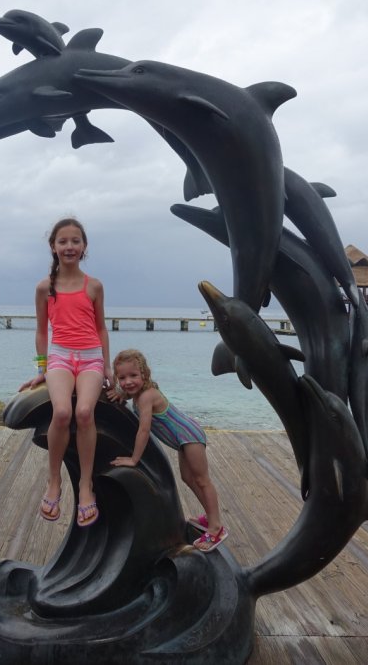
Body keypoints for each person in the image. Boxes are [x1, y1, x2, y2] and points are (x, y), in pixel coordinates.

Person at [20, 218, 112, 527]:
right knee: (61, 412)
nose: (69, 246)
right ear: (53, 247)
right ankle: (54, 481)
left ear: (84, 247)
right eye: (63, 241)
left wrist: (107, 365)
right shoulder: (45, 287)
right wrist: (41, 369)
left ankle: (86, 485)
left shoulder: (94, 285)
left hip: (90, 358)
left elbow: (101, 328)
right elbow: (41, 331)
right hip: (60, 355)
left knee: (84, 412)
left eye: (75, 241)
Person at [108, 349, 228, 552]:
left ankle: (216, 527)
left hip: (190, 436)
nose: (128, 382)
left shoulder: (147, 396)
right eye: (122, 378)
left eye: (133, 376)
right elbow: (127, 393)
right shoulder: (137, 394)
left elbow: (144, 430)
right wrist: (119, 393)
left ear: (144, 375)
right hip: (183, 440)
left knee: (202, 480)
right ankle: (210, 516)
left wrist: (134, 459)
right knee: (188, 478)